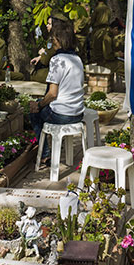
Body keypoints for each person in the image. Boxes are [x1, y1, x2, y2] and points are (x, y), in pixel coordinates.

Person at [29, 21, 85, 165]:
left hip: (62, 115)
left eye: (53, 37)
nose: (52, 40)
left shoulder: (57, 60)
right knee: (43, 106)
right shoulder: (77, 59)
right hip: (78, 113)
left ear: (59, 40)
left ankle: (46, 154)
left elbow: (53, 94)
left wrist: (39, 105)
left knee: (34, 113)